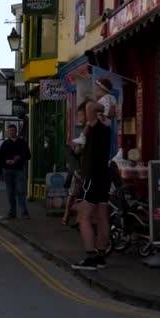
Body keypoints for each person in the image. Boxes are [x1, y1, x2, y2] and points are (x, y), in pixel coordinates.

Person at [72, 100, 112, 271]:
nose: (80, 118)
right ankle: (101, 256)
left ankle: (91, 257)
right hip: (103, 176)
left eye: (81, 115)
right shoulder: (104, 128)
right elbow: (77, 150)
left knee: (84, 217)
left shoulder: (96, 125)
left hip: (92, 176)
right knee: (102, 216)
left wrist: (104, 107)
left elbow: (90, 106)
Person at [62, 101, 88, 226]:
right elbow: (74, 151)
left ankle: (78, 219)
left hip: (86, 168)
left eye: (81, 115)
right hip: (77, 167)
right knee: (73, 194)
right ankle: (66, 215)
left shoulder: (90, 128)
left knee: (83, 195)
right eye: (78, 115)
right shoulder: (78, 130)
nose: (80, 118)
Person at [0, 124, 31, 220]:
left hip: (19, 170)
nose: (11, 132)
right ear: (7, 132)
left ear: (16, 131)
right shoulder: (5, 144)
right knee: (10, 192)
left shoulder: (22, 142)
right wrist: (6, 161)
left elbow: (29, 155)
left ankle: (24, 212)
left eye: (13, 130)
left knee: (21, 191)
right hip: (7, 170)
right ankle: (12, 212)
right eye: (9, 131)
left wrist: (20, 157)